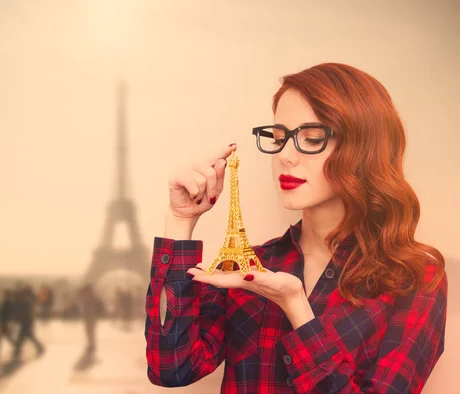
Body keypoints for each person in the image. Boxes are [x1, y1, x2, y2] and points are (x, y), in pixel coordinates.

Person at [144, 63, 447, 393]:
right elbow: (170, 368)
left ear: (364, 149)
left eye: (312, 138)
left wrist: (297, 309)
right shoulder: (249, 267)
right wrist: (180, 220)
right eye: (278, 137)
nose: (286, 156)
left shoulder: (414, 277)